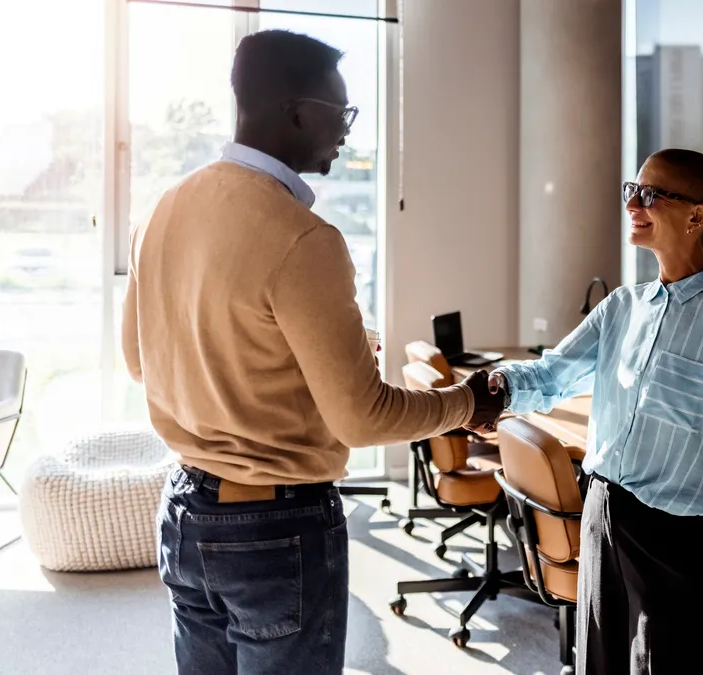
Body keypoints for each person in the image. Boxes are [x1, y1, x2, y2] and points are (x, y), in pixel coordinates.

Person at [121, 30, 504, 675]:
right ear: (296, 111)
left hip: (186, 513)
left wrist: (309, 361)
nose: (348, 131)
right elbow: (363, 419)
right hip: (274, 529)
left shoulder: (163, 209)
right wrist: (465, 403)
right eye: (341, 112)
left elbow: (141, 360)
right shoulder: (305, 239)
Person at [490, 149, 703, 674]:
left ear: (697, 215)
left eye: (650, 194)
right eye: (632, 189)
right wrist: (492, 389)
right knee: (599, 664)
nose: (632, 202)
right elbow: (552, 374)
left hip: (679, 540)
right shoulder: (622, 306)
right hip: (602, 513)